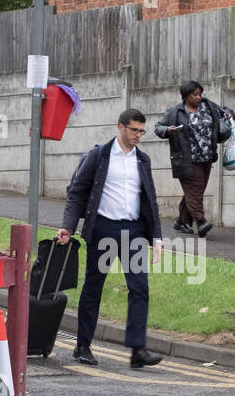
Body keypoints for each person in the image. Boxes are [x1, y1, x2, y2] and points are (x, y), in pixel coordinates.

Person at [57, 108, 164, 369]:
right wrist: (68, 228)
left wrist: (157, 238)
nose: (139, 135)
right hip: (103, 228)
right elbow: (77, 193)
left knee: (140, 288)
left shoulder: (143, 160)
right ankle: (82, 345)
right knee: (94, 287)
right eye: (134, 130)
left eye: (142, 131)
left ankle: (137, 350)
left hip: (134, 231)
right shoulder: (99, 155)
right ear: (121, 127)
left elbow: (151, 200)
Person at [154, 80, 235, 238]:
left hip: (207, 156)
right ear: (185, 97)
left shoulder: (208, 106)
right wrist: (168, 130)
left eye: (200, 94)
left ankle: (182, 221)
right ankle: (201, 221)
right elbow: (158, 127)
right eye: (195, 95)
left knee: (195, 190)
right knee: (195, 190)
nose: (199, 97)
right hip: (186, 159)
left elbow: (225, 110)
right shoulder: (176, 111)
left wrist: (229, 113)